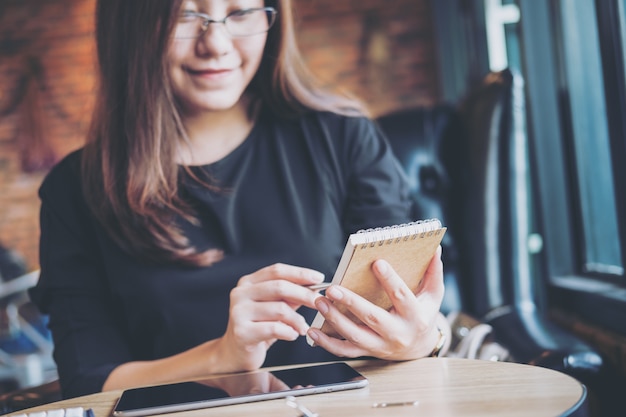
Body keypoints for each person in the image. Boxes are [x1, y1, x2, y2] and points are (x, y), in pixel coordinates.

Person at [30, 0, 448, 399]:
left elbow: (409, 317)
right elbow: (89, 381)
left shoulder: (342, 138)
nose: (216, 43)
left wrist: (424, 338)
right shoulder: (77, 189)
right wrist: (222, 358)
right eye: (184, 15)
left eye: (241, 11)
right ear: (130, 27)